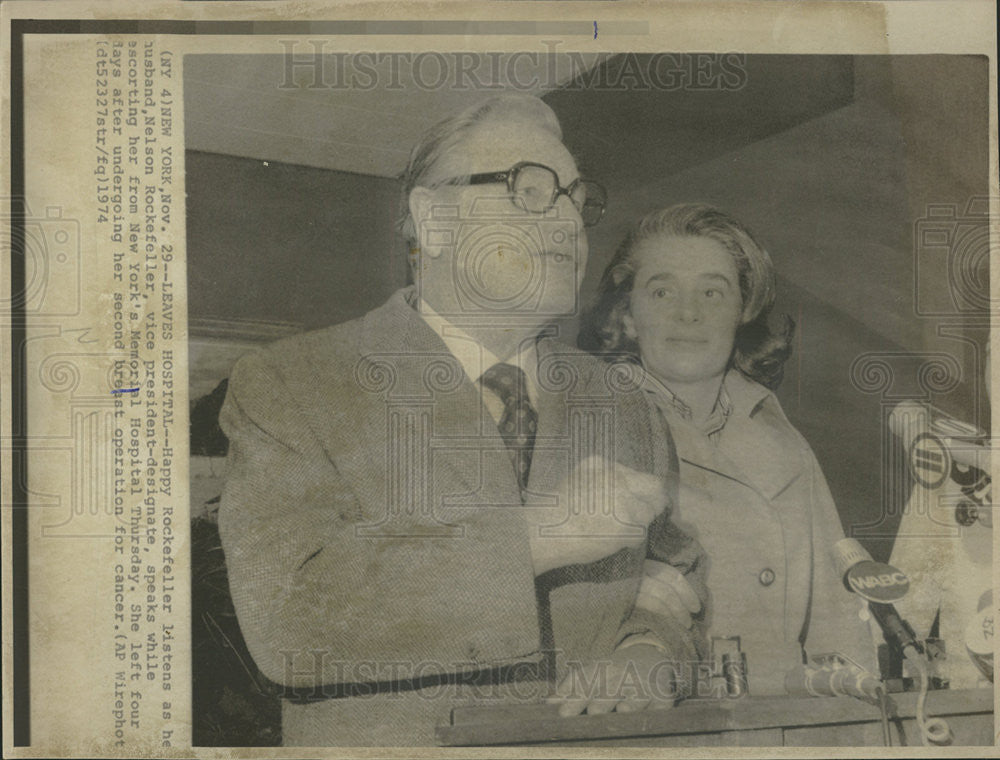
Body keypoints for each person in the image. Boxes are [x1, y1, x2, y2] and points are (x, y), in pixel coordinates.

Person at [217, 94, 707, 746]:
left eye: (574, 196)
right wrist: (542, 535)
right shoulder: (292, 384)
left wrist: (650, 653)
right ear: (434, 220)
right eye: (531, 189)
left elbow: (675, 575)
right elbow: (288, 617)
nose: (567, 220)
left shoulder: (625, 403)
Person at [579, 203, 874, 695]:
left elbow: (838, 621)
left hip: (786, 728)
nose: (689, 312)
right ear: (627, 315)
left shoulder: (783, 438)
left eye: (713, 292)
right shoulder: (585, 425)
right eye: (662, 290)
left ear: (742, 312)